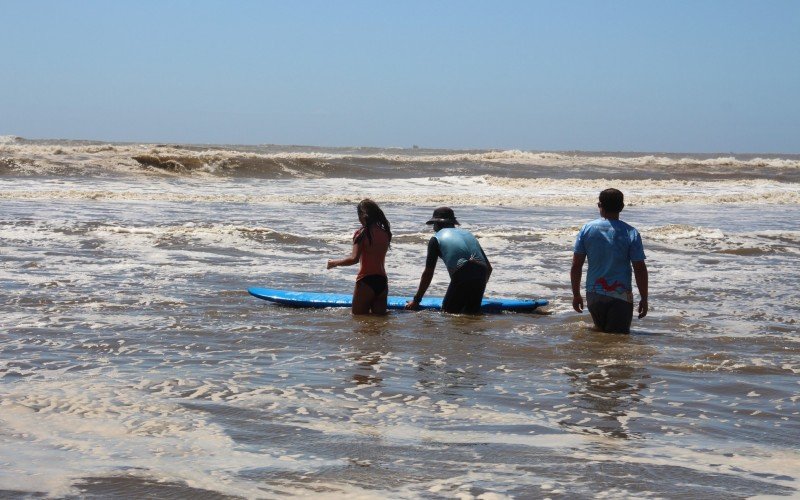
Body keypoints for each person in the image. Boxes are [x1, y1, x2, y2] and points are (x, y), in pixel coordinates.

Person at [571, 188, 649, 333]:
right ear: (622, 207)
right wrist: (644, 298)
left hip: (594, 294)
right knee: (618, 340)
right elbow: (639, 268)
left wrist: (576, 294)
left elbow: (576, 265)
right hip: (620, 295)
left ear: (600, 205)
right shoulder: (630, 232)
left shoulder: (587, 229)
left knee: (601, 335)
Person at [405, 207, 493, 314]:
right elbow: (489, 268)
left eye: (434, 224)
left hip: (463, 273)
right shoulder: (469, 234)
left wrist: (416, 300)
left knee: (449, 314)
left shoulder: (436, 238)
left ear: (437, 224)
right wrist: (477, 286)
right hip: (481, 273)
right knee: (472, 315)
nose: (433, 227)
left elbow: (428, 273)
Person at [327, 199, 392, 315]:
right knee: (379, 325)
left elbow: (354, 259)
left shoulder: (361, 233)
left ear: (362, 216)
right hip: (382, 282)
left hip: (366, 281)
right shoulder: (385, 233)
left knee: (359, 321)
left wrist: (334, 263)